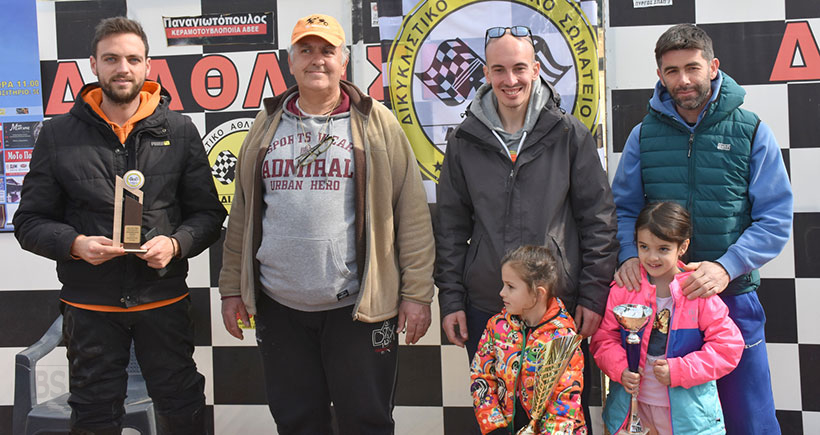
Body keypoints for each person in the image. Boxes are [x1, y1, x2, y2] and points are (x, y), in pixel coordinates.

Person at [218, 13, 435, 435]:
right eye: (306, 50)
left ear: (344, 61)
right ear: (290, 61)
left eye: (327, 50)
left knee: (367, 423)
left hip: (358, 308)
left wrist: (417, 294)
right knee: (297, 422)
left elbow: (411, 214)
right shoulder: (266, 123)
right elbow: (242, 213)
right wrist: (231, 288)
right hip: (278, 306)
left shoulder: (377, 122)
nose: (317, 59)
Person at [13, 17, 225, 434]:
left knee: (182, 407)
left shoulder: (180, 130)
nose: (122, 68)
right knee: (93, 416)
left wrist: (176, 244)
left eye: (132, 59)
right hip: (90, 308)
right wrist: (75, 244)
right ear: (93, 64)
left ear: (148, 65)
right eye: (111, 59)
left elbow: (209, 215)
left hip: (162, 301)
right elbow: (29, 222)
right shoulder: (57, 135)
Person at [435, 25, 618, 432]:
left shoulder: (569, 134)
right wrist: (451, 299)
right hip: (488, 306)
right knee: (497, 421)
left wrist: (592, 295)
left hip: (556, 308)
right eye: (499, 70)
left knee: (560, 423)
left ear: (536, 69)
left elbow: (599, 221)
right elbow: (449, 227)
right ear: (486, 73)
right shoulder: (464, 140)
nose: (510, 80)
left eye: (519, 68)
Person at [611, 24, 793, 434]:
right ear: (660, 76)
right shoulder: (643, 136)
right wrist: (627, 255)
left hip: (732, 296)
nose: (683, 80)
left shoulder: (751, 130)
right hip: (662, 305)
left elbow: (775, 217)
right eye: (672, 71)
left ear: (713, 67)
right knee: (675, 422)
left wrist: (727, 267)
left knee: (749, 420)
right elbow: (623, 209)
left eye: (692, 68)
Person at [591, 202, 744, 434]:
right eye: (644, 247)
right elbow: (603, 339)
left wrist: (680, 370)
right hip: (630, 411)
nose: (652, 257)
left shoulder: (698, 290)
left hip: (690, 419)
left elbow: (728, 347)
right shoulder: (625, 288)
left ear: (683, 247)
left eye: (663, 249)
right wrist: (621, 368)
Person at [471, 245, 586, 435]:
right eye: (503, 284)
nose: (502, 292)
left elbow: (564, 402)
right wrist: (493, 426)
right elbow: (481, 375)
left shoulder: (564, 339)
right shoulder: (497, 326)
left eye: (510, 286)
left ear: (538, 293)